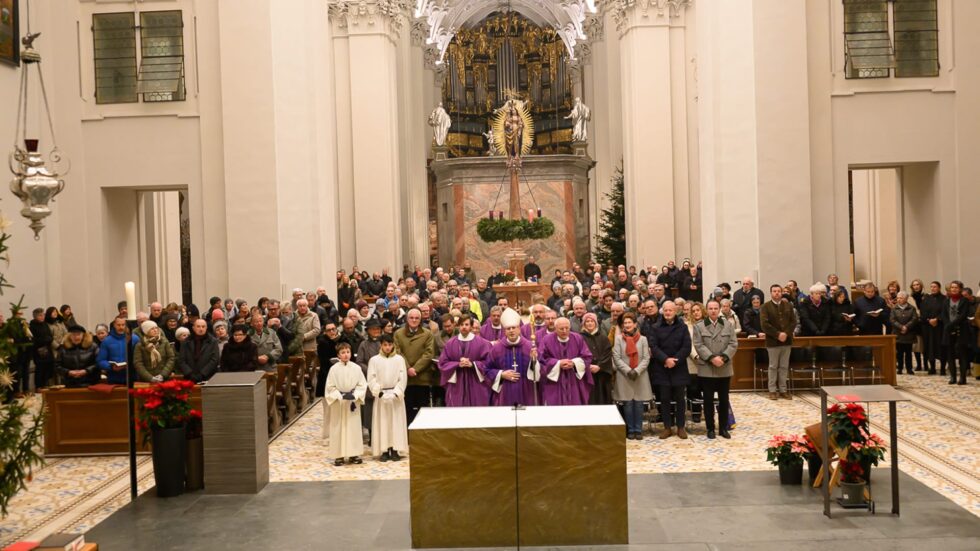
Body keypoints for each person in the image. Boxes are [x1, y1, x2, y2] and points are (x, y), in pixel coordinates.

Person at [694, 300, 738, 440]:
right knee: (708, 400)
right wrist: (712, 358)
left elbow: (733, 343)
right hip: (707, 367)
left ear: (719, 309)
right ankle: (710, 428)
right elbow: (698, 345)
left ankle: (723, 428)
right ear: (706, 310)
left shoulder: (728, 325)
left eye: (715, 308)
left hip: (724, 367)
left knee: (724, 400)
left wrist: (723, 358)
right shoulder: (699, 326)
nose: (713, 311)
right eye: (710, 308)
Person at [648, 301, 691, 439]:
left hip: (678, 367)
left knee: (680, 399)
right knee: (664, 399)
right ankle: (667, 427)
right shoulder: (655, 327)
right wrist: (666, 359)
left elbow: (687, 347)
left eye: (670, 310)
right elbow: (653, 346)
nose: (667, 313)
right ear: (662, 311)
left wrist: (675, 360)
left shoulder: (683, 327)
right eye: (665, 310)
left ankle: (680, 427)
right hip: (662, 367)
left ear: (675, 311)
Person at [485, 308, 540, 406]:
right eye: (508, 329)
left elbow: (539, 372)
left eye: (514, 328)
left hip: (526, 391)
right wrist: (501, 374)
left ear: (519, 329)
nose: (511, 331)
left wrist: (534, 360)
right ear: (504, 331)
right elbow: (487, 370)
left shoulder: (529, 347)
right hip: (505, 392)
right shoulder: (497, 349)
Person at [325, 342, 367, 466]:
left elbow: (362, 384)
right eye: (343, 352)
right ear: (338, 355)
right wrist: (340, 395)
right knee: (338, 428)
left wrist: (355, 395)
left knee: (353, 428)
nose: (346, 355)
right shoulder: (333, 369)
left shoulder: (356, 368)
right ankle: (339, 455)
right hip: (339, 402)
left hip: (352, 401)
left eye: (348, 352)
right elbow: (330, 387)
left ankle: (354, 454)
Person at [367, 335, 408, 462]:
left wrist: (396, 392)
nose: (387, 347)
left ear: (393, 345)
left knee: (395, 423)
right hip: (382, 396)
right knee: (383, 423)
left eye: (390, 345)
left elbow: (403, 377)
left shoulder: (399, 359)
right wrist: (379, 393)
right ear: (381, 345)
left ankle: (395, 449)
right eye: (385, 345)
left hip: (395, 397)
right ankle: (384, 450)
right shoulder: (374, 360)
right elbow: (371, 378)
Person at [438, 314, 492, 407]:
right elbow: (443, 363)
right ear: (458, 326)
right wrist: (457, 364)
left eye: (467, 325)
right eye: (462, 324)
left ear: (471, 326)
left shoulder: (482, 343)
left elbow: (489, 362)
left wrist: (473, 364)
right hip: (457, 383)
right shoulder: (450, 343)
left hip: (476, 382)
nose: (464, 327)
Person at [611, 312, 651, 440]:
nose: (627, 325)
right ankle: (631, 430)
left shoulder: (643, 339)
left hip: (640, 375)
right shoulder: (618, 339)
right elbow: (616, 357)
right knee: (627, 403)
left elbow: (646, 358)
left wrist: (637, 370)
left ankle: (638, 430)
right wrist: (628, 370)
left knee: (639, 403)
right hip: (624, 375)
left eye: (630, 322)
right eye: (625, 323)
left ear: (635, 324)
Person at [538, 318, 594, 406]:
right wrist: (558, 363)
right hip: (555, 383)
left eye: (567, 328)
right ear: (555, 328)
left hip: (574, 382)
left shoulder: (577, 338)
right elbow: (541, 359)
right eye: (561, 329)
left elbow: (587, 357)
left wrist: (574, 363)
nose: (564, 331)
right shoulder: (547, 340)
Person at [394, 308, 436, 424]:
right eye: (411, 318)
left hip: (422, 378)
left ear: (421, 319)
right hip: (405, 378)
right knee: (407, 410)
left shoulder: (427, 334)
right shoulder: (398, 334)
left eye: (417, 318)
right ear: (407, 319)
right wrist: (407, 368)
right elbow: (397, 352)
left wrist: (415, 369)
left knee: (423, 410)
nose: (414, 320)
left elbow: (429, 353)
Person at [761, 284, 797, 400]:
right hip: (772, 342)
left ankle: (783, 390)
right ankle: (772, 390)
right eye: (774, 291)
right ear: (771, 293)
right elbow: (764, 325)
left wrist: (786, 333)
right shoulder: (765, 306)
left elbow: (793, 322)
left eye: (778, 291)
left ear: (781, 293)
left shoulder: (788, 305)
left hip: (786, 341)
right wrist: (778, 334)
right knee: (773, 366)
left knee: (784, 366)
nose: (776, 293)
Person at [942, 280, 974, 385]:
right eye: (952, 287)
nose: (954, 289)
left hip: (961, 329)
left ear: (960, 289)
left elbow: (963, 315)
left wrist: (951, 324)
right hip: (949, 330)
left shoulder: (964, 300)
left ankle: (962, 378)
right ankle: (953, 377)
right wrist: (948, 325)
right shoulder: (946, 301)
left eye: (956, 287)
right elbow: (944, 315)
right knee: (950, 354)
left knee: (962, 354)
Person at [580, 312, 613, 405]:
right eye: (587, 321)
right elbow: (577, 354)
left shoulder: (603, 337)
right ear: (584, 324)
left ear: (596, 323)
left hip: (601, 375)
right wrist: (587, 366)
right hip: (586, 375)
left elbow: (607, 353)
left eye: (592, 321)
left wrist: (599, 366)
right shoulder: (579, 338)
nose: (590, 323)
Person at [97, 317, 140, 385]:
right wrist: (111, 367)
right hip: (113, 378)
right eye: (118, 325)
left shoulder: (134, 339)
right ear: (114, 325)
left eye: (123, 325)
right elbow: (101, 360)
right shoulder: (107, 341)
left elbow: (140, 357)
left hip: (132, 376)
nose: (121, 327)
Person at [179, 319, 220, 383]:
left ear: (206, 328)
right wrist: (190, 374)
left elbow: (214, 360)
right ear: (193, 328)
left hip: (208, 377)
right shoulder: (186, 342)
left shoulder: (212, 341)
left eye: (203, 327)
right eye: (198, 326)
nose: (201, 329)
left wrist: (202, 374)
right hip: (189, 378)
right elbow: (182, 360)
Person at [890, 291, 919, 375]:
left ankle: (909, 369)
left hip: (909, 333)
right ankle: (900, 368)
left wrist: (906, 327)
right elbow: (892, 320)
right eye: (898, 298)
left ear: (906, 299)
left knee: (908, 353)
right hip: (898, 333)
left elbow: (914, 319)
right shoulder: (894, 308)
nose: (899, 299)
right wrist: (901, 327)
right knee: (899, 353)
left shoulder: (912, 308)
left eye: (901, 298)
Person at [920, 281, 945, 375]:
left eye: (935, 287)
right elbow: (922, 312)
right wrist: (929, 320)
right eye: (931, 287)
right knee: (930, 347)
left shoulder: (944, 299)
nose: (933, 288)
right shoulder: (926, 299)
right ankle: (932, 368)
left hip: (940, 327)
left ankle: (942, 368)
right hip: (928, 327)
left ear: (939, 288)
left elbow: (945, 312)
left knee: (941, 347)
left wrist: (937, 319)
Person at [29, 308, 55, 389]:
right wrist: (45, 340)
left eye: (43, 315)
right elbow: (34, 339)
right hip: (38, 351)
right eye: (40, 315)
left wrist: (48, 339)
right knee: (40, 369)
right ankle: (39, 386)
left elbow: (50, 335)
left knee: (48, 367)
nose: (42, 317)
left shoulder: (45, 324)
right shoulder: (32, 326)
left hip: (48, 349)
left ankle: (45, 384)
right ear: (35, 316)